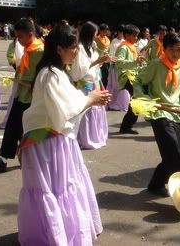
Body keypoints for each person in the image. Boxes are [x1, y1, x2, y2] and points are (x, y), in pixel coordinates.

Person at [18, 23, 109, 245]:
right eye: (73, 47)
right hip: (47, 143)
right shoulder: (50, 75)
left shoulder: (56, 72)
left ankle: (62, 231)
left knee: (62, 187)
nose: (76, 51)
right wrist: (90, 99)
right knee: (56, 188)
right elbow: (64, 110)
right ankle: (55, 235)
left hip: (55, 140)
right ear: (59, 49)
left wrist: (90, 99)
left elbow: (68, 104)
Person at [134, 33, 180, 197]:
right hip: (159, 113)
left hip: (176, 113)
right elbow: (138, 80)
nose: (175, 54)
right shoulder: (156, 65)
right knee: (174, 155)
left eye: (179, 49)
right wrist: (145, 98)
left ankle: (156, 184)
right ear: (164, 49)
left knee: (173, 152)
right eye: (171, 50)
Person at [0, 18, 44, 173]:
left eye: (20, 36)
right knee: (13, 127)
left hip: (32, 97)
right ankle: (3, 158)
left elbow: (45, 75)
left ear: (31, 34)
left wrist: (29, 83)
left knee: (26, 129)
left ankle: (25, 159)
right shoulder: (29, 48)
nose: (18, 40)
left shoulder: (40, 50)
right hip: (21, 94)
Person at [69, 21, 111, 149]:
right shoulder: (80, 48)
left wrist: (102, 61)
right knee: (86, 111)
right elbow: (78, 71)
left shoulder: (91, 46)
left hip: (94, 82)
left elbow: (94, 65)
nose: (96, 35)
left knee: (96, 109)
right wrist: (98, 61)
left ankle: (95, 136)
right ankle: (86, 138)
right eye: (94, 33)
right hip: (84, 84)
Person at [116, 24, 145, 134]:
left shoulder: (131, 46)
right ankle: (126, 126)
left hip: (133, 76)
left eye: (137, 35)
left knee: (137, 100)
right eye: (134, 35)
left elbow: (134, 62)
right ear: (127, 35)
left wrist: (139, 61)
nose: (136, 38)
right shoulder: (124, 47)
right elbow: (119, 62)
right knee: (137, 99)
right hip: (126, 77)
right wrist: (135, 62)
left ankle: (126, 126)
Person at [0, 38, 25, 128]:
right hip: (22, 76)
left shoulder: (16, 43)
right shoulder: (17, 42)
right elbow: (11, 58)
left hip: (22, 74)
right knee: (16, 98)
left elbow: (10, 57)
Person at [107, 24, 130, 111]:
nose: (122, 34)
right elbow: (112, 54)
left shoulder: (125, 41)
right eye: (121, 32)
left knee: (124, 85)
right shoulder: (114, 41)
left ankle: (124, 103)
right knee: (116, 86)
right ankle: (113, 103)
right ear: (118, 32)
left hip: (124, 67)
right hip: (115, 66)